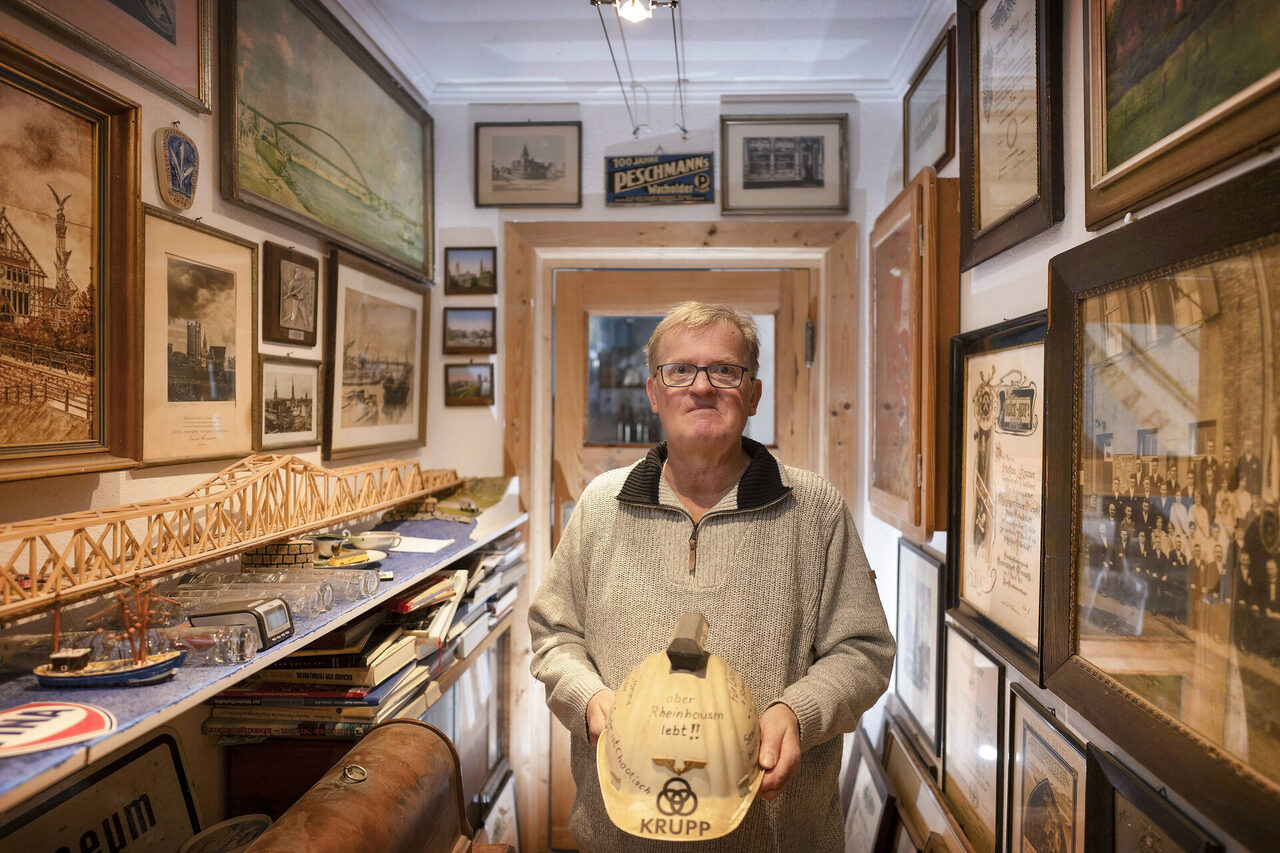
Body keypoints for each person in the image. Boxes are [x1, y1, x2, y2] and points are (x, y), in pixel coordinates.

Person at [528, 302, 895, 851]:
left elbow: (863, 651)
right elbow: (554, 636)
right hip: (619, 836)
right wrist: (587, 700)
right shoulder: (600, 506)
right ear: (654, 393)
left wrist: (798, 713)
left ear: (753, 394)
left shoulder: (816, 510)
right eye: (679, 371)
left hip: (775, 836)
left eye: (724, 370)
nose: (701, 387)